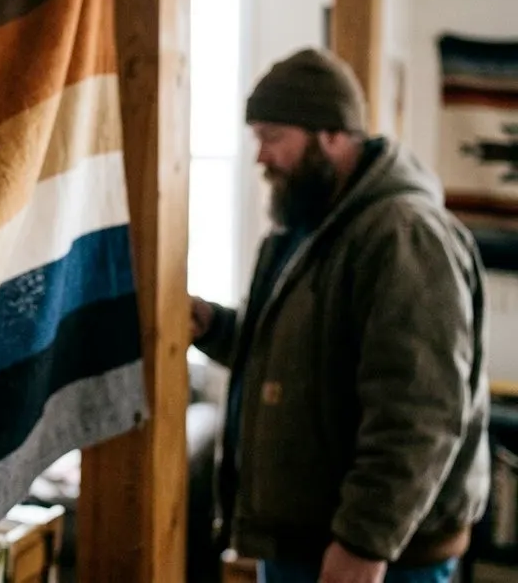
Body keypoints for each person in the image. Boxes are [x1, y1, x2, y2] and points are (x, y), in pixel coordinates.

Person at [190, 47, 490, 583]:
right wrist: (213, 327)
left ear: (332, 135)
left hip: (380, 556)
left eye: (273, 137)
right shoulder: (307, 225)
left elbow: (422, 408)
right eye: (256, 137)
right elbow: (296, 360)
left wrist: (363, 543)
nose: (260, 157)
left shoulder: (403, 233)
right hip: (305, 541)